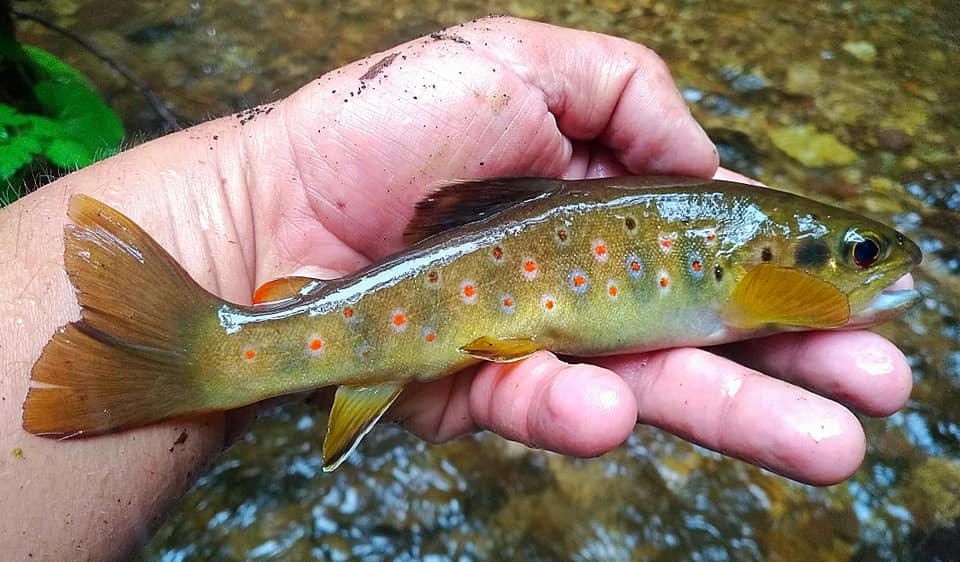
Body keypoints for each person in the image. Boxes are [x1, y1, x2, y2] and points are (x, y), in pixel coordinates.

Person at [0, 17, 912, 560]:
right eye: (863, 253)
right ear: (779, 261)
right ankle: (210, 352)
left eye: (862, 252)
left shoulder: (749, 263)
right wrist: (245, 204)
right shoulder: (749, 266)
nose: (880, 269)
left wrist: (243, 201)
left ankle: (217, 350)